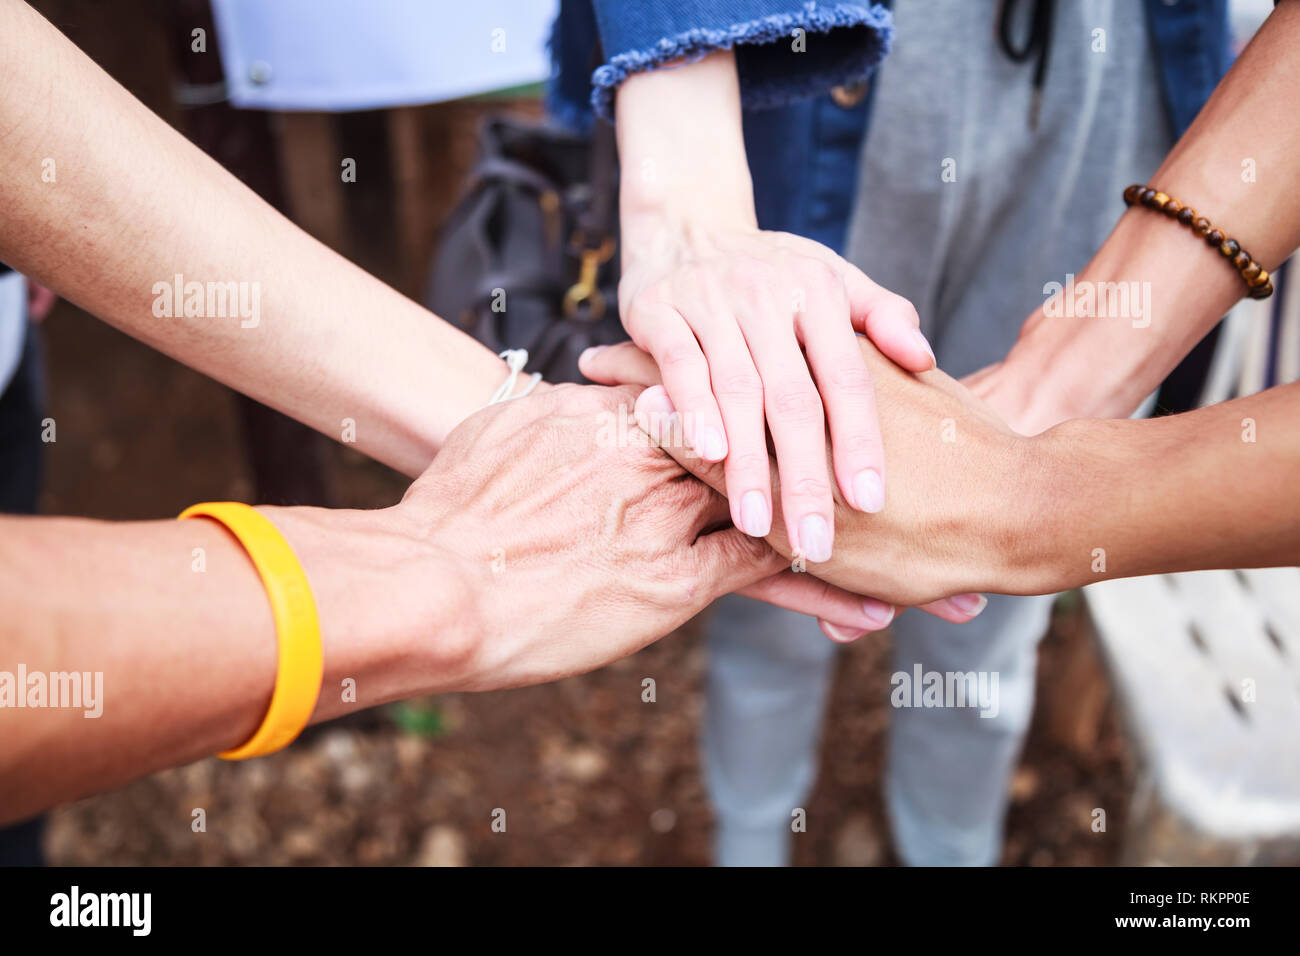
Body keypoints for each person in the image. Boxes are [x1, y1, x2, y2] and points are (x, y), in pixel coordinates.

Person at [554, 0, 1263, 865]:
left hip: (1106, 66)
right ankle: (752, 830)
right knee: (767, 522)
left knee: (985, 600)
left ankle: (949, 841)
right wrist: (685, 180)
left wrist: (1046, 454)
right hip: (834, 49)